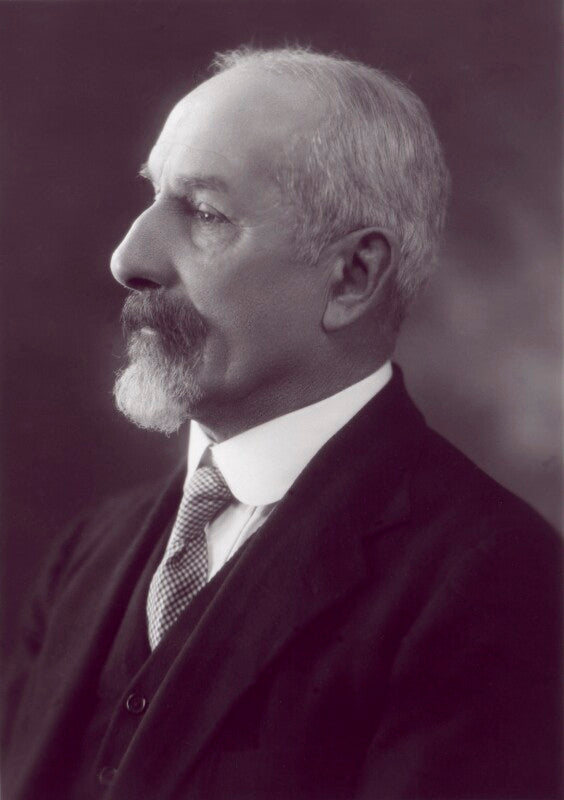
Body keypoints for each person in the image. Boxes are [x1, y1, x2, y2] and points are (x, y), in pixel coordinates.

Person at [3, 46, 561, 800]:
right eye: (154, 196)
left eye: (205, 213)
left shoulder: (496, 583)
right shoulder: (87, 556)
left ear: (353, 276)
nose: (127, 257)